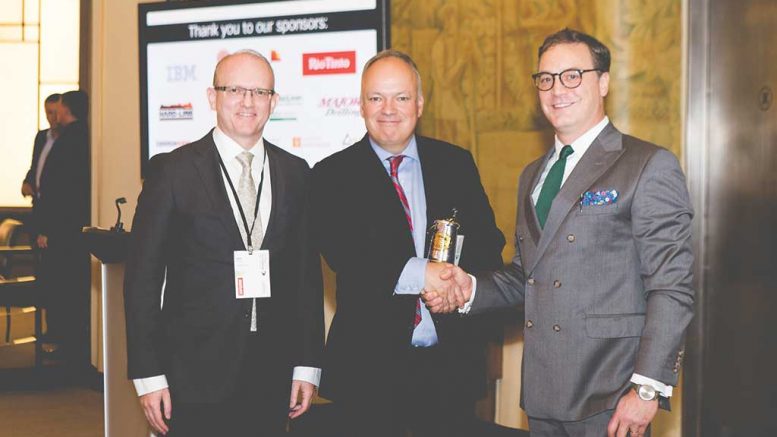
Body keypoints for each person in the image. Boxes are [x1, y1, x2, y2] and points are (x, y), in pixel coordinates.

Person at [424, 29, 694, 437]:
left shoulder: (646, 165)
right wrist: (469, 288)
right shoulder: (532, 174)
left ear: (602, 82)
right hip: (544, 394)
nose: (557, 89)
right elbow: (527, 275)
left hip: (611, 393)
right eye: (546, 78)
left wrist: (647, 388)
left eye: (572, 75)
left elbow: (671, 287)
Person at [124, 50, 324, 436]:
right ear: (212, 97)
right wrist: (148, 374)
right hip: (191, 374)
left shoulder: (296, 173)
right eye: (235, 89)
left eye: (260, 92)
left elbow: (306, 278)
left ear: (274, 102)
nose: (248, 102)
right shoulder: (172, 171)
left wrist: (306, 364)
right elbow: (142, 280)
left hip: (271, 373)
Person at [309, 50, 505, 437]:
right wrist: (426, 275)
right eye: (376, 98)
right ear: (361, 105)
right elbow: (348, 255)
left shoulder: (456, 163)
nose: (388, 109)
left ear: (419, 103)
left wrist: (457, 287)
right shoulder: (331, 175)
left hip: (451, 369)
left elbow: (487, 245)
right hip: (369, 374)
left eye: (400, 97)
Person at [31, 90, 91, 371]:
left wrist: (48, 229)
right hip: (58, 225)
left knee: (65, 287)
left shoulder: (72, 139)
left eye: (58, 110)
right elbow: (41, 176)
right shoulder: (56, 138)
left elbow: (61, 190)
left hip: (62, 228)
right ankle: (62, 341)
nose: (54, 116)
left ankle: (68, 347)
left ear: (66, 110)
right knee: (58, 286)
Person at [21, 93, 62, 200]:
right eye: (49, 113)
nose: (54, 117)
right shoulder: (41, 137)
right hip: (38, 202)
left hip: (58, 203)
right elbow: (35, 166)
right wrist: (26, 183)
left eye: (57, 112)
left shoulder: (68, 140)